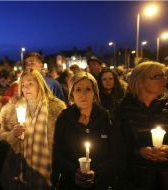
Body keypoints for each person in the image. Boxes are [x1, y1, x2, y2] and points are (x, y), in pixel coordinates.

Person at [0, 69, 66, 190]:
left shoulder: (56, 108)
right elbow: (2, 136)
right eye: (23, 85)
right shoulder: (12, 109)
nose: (26, 88)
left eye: (30, 83)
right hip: (18, 169)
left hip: (48, 169)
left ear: (40, 84)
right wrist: (12, 134)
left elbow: (64, 142)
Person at [52, 71, 114, 190]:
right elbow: (57, 153)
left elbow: (112, 152)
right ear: (72, 94)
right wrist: (74, 172)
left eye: (88, 89)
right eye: (78, 90)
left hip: (99, 183)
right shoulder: (64, 118)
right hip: (70, 183)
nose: (83, 94)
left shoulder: (104, 116)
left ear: (95, 93)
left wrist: (96, 172)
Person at [112, 61, 168, 190]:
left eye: (164, 75)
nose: (164, 79)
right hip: (135, 177)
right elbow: (117, 145)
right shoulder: (123, 108)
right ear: (140, 81)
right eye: (157, 76)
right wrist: (139, 152)